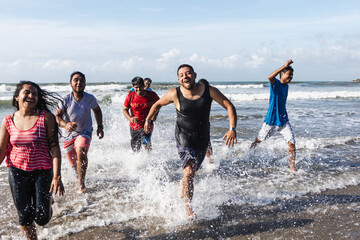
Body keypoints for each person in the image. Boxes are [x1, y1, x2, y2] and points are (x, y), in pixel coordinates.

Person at [144, 64, 237, 219]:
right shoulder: (174, 93)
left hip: (202, 138)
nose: (185, 76)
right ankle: (188, 209)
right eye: (181, 75)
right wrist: (148, 119)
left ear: (194, 74)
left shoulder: (209, 91)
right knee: (189, 171)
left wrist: (232, 128)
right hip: (183, 136)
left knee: (191, 173)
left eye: (188, 73)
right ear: (178, 79)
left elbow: (229, 106)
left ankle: (184, 185)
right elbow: (157, 104)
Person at [0, 81, 65, 240]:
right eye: (27, 92)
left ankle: (48, 201)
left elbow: (55, 148)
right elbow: (1, 149)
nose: (31, 96)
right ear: (17, 97)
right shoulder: (8, 120)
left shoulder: (46, 117)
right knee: (24, 214)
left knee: (42, 217)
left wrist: (56, 176)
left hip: (42, 171)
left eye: (35, 94)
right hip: (17, 171)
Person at [55, 71, 104, 193]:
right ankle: (78, 178)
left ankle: (81, 184)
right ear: (70, 83)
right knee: (73, 164)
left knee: (81, 151)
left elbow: (97, 111)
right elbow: (57, 117)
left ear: (85, 83)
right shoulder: (65, 99)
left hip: (84, 131)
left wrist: (100, 127)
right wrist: (65, 124)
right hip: (68, 135)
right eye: (76, 80)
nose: (79, 83)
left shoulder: (90, 98)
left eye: (81, 80)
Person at [250, 59, 296, 171]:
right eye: (289, 75)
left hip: (283, 120)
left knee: (292, 143)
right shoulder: (276, 84)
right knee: (260, 139)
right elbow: (270, 77)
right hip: (271, 120)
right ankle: (249, 151)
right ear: (282, 74)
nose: (290, 77)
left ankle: (292, 167)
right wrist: (284, 66)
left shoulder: (287, 86)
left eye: (292, 76)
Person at [123, 77, 160, 152]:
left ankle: (150, 160)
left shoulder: (152, 95)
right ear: (133, 87)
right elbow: (124, 109)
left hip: (148, 124)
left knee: (146, 143)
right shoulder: (130, 96)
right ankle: (138, 162)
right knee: (136, 148)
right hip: (134, 126)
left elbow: (159, 104)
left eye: (140, 87)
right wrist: (130, 118)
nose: (139, 89)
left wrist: (155, 115)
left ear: (144, 86)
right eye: (136, 87)